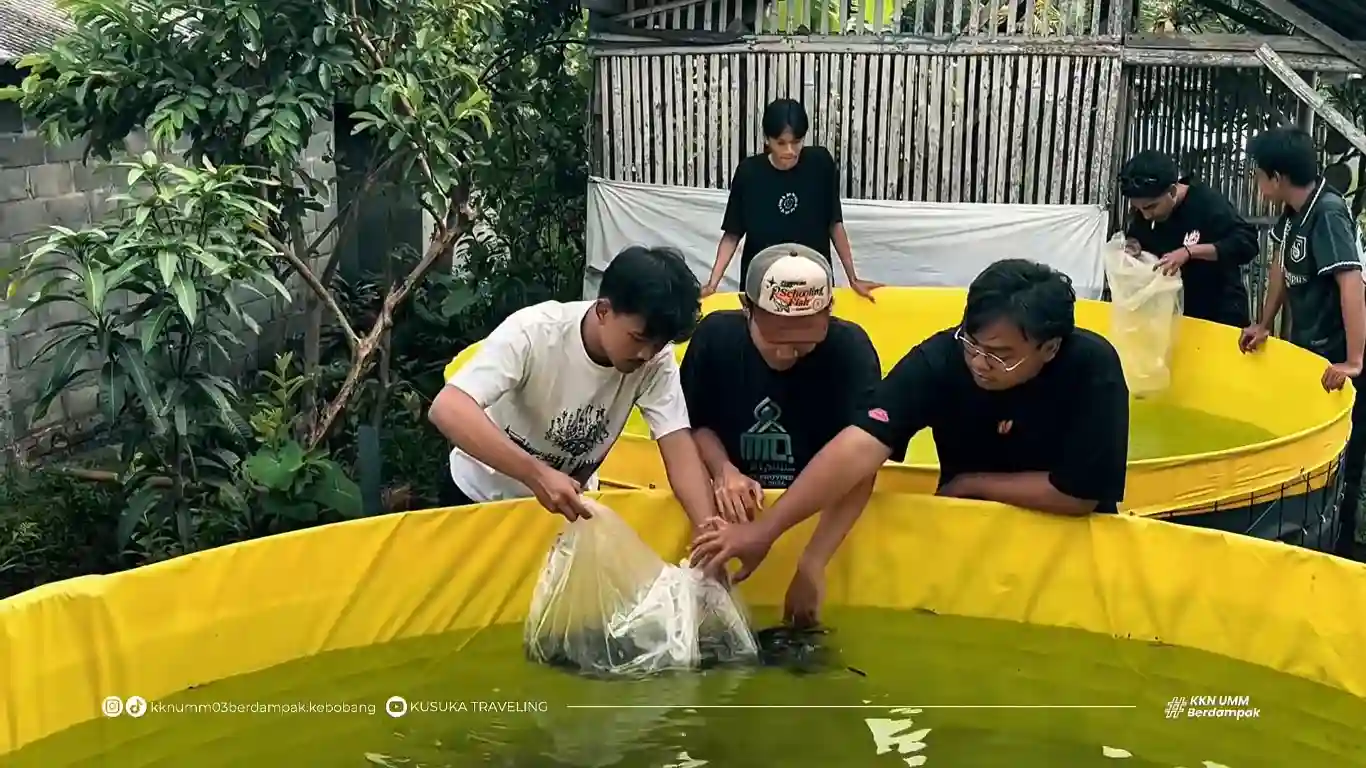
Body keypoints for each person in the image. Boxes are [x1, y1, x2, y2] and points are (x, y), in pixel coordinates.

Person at [691, 259, 1131, 612]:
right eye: (972, 344)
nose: (979, 363)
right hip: (966, 543)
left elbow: (1078, 495)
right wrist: (767, 533)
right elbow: (860, 446)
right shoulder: (941, 360)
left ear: (1049, 348)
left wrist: (972, 484)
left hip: (1067, 558)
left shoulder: (1091, 369)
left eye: (1000, 355)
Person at [428, 245, 723, 533]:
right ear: (603, 310)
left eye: (658, 344)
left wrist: (710, 532)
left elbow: (679, 449)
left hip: (563, 511)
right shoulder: (535, 332)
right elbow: (449, 408)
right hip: (479, 500)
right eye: (637, 338)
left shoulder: (656, 362)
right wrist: (536, 475)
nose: (646, 354)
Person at [680, 243, 882, 626]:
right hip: (734, 505)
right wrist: (723, 469)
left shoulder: (849, 351)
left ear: (829, 311)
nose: (788, 353)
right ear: (747, 308)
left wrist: (813, 561)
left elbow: (863, 459)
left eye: (805, 342)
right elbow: (691, 426)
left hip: (814, 508)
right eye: (775, 339)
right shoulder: (716, 339)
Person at [1240, 126, 1366, 558]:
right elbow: (1280, 265)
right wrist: (1264, 323)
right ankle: (1310, 537)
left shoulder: (1327, 213)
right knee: (1313, 447)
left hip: (1341, 352)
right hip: (1312, 348)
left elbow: (1351, 282)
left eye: (1259, 176)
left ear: (1277, 177)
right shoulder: (1294, 212)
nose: (1257, 184)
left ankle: (1341, 551)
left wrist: (1354, 360)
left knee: (1345, 454)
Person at [702, 98, 882, 301]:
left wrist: (853, 278)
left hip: (812, 283)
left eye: (796, 142)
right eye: (781, 143)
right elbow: (732, 234)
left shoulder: (820, 164)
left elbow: (834, 223)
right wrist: (712, 284)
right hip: (764, 284)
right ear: (767, 140)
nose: (789, 151)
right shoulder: (749, 173)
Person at [1118, 149, 1258, 328]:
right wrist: (1132, 246)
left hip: (1219, 313)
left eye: (1151, 207)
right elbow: (1137, 236)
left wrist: (1190, 252)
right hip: (1175, 313)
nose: (1146, 216)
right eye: (1139, 209)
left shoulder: (1207, 203)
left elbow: (1247, 243)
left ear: (1172, 191)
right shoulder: (1146, 211)